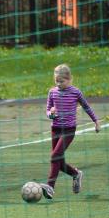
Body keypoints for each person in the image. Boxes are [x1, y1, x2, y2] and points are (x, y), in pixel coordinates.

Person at [40, 64, 100, 199]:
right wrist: (51, 114)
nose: (59, 84)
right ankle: (76, 174)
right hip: (55, 129)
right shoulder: (52, 92)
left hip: (69, 130)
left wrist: (96, 121)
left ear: (69, 79)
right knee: (58, 161)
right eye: (57, 81)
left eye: (62, 81)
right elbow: (48, 110)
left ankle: (50, 186)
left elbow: (86, 107)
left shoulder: (76, 92)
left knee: (54, 156)